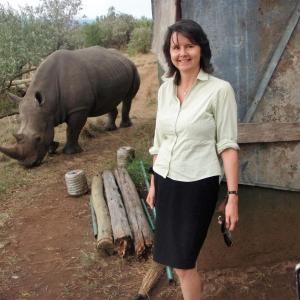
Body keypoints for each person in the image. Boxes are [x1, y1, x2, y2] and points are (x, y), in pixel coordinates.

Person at [146, 19, 239, 300]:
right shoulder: (164, 90)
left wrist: (232, 196)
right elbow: (159, 142)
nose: (182, 53)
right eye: (176, 47)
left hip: (197, 185)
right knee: (180, 260)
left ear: (201, 49)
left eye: (189, 45)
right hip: (165, 181)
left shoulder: (219, 90)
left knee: (183, 264)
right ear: (169, 52)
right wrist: (153, 183)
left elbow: (228, 146)